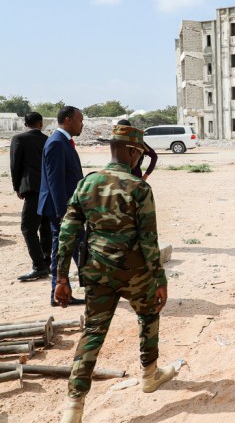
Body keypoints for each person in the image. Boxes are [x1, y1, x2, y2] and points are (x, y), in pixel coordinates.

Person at [55, 125, 174, 423]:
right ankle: (149, 375)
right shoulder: (139, 188)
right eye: (139, 154)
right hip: (136, 275)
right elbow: (149, 241)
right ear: (133, 152)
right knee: (148, 317)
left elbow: (67, 233)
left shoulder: (86, 183)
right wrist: (160, 279)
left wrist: (61, 278)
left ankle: (73, 406)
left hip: (96, 272)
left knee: (93, 331)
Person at [38, 105, 85, 306]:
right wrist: (63, 213)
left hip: (68, 209)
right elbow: (55, 181)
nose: (82, 125)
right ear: (68, 120)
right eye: (80, 120)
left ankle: (61, 293)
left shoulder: (62, 141)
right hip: (62, 210)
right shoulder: (57, 143)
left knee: (73, 248)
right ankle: (60, 293)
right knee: (67, 248)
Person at [10, 112, 52, 281]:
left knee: (28, 228)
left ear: (25, 124)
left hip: (32, 189)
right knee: (45, 226)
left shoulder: (19, 139)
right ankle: (46, 261)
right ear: (41, 123)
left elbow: (15, 165)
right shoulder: (48, 140)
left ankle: (39, 266)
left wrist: (17, 187)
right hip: (48, 189)